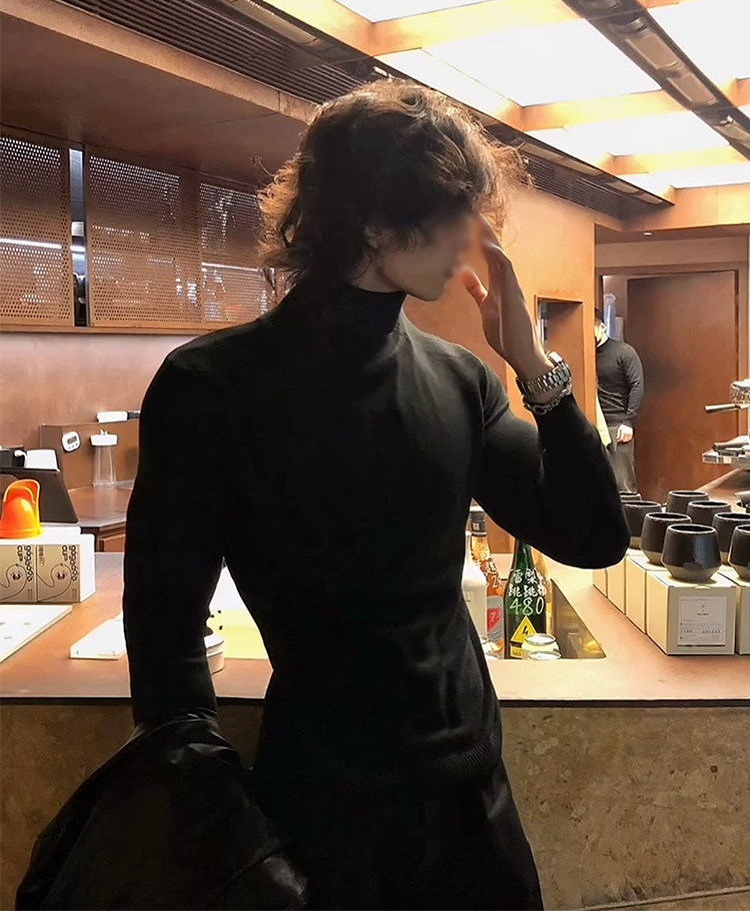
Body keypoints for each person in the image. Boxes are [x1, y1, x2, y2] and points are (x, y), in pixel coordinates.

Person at [124, 81, 628, 911]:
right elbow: (164, 633)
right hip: (322, 820)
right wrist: (217, 821)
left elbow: (593, 537)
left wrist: (536, 370)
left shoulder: (461, 379)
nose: (472, 240)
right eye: (452, 216)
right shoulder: (211, 386)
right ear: (373, 226)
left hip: (474, 805)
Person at [595, 309, 644, 493]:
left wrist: (628, 421)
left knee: (623, 484)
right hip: (591, 423)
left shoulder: (624, 352)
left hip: (617, 425)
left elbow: (637, 386)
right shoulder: (584, 354)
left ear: (602, 327)